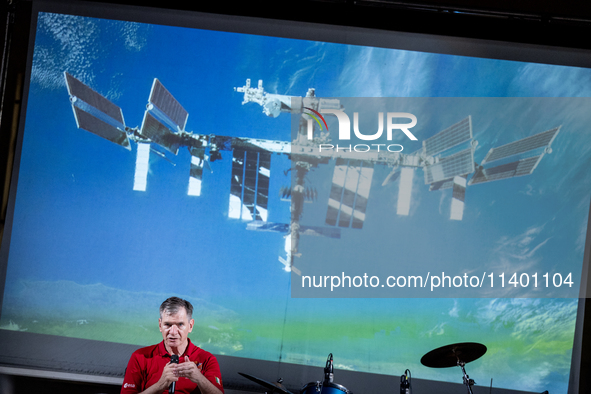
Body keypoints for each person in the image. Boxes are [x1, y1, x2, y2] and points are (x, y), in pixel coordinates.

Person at [121, 297, 224, 394]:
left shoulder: (207, 359)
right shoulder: (140, 357)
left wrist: (199, 378)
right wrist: (160, 385)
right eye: (167, 325)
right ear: (160, 325)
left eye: (180, 324)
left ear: (190, 326)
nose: (173, 332)